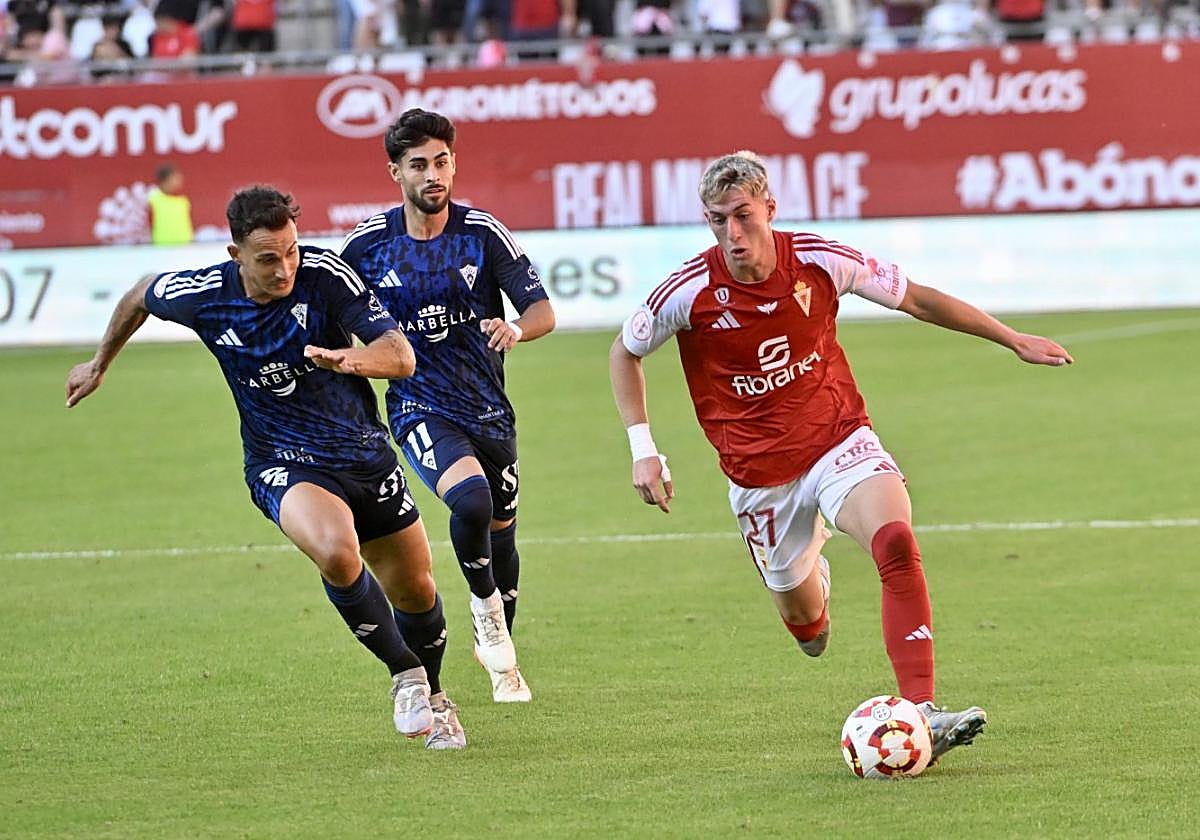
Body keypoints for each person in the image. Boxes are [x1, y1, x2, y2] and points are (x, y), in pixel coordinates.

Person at [608, 151, 1074, 764]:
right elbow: (624, 352)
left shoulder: (822, 261)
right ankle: (812, 581)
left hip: (838, 441)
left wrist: (1012, 339)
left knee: (896, 542)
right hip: (760, 477)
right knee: (810, 634)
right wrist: (643, 449)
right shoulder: (689, 290)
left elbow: (918, 300)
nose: (733, 233)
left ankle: (923, 710)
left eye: (743, 216)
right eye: (718, 220)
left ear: (769, 209)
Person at [65, 186, 467, 751]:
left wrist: (348, 359)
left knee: (416, 591)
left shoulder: (325, 275)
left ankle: (438, 698)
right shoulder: (204, 296)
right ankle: (406, 674)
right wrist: (99, 362)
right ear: (236, 256)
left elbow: (400, 357)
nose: (285, 268)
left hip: (362, 455)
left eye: (291, 251)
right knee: (336, 552)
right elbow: (139, 295)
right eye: (268, 258)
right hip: (281, 461)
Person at [340, 109, 556, 703]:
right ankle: (485, 611)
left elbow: (542, 310)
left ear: (454, 163)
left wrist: (517, 329)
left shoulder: (482, 232)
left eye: (441, 162)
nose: (432, 175)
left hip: (487, 409)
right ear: (396, 173)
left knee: (502, 534)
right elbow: (332, 311)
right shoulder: (366, 245)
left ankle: (498, 636)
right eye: (418, 165)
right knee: (472, 500)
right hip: (418, 406)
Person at [147, 164, 194, 245]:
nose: (179, 182)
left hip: (184, 245)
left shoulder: (183, 200)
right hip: (161, 246)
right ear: (165, 180)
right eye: (175, 178)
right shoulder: (152, 199)